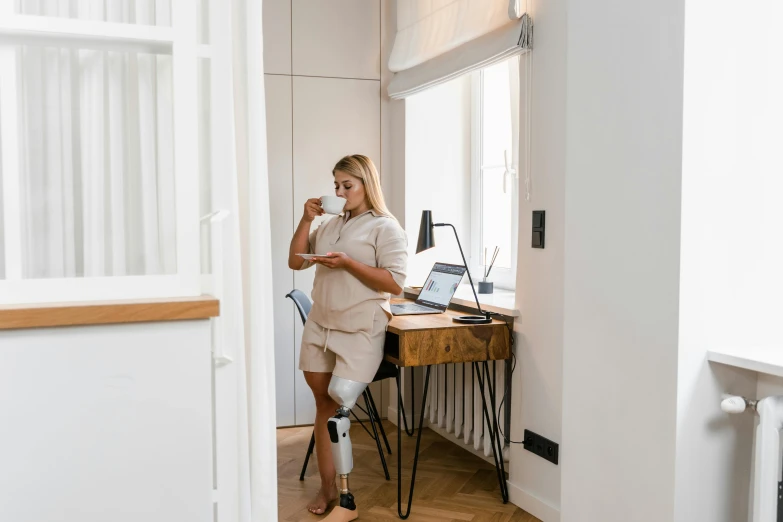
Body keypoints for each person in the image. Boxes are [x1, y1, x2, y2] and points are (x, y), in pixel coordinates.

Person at [288, 154, 408, 520]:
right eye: (336, 185)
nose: (339, 192)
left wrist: (348, 264)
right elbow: (295, 261)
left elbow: (396, 284)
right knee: (324, 407)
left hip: (359, 328)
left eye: (347, 185)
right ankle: (328, 490)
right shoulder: (330, 224)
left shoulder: (385, 228)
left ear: (366, 184)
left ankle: (346, 502)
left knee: (339, 405)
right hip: (321, 325)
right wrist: (307, 219)